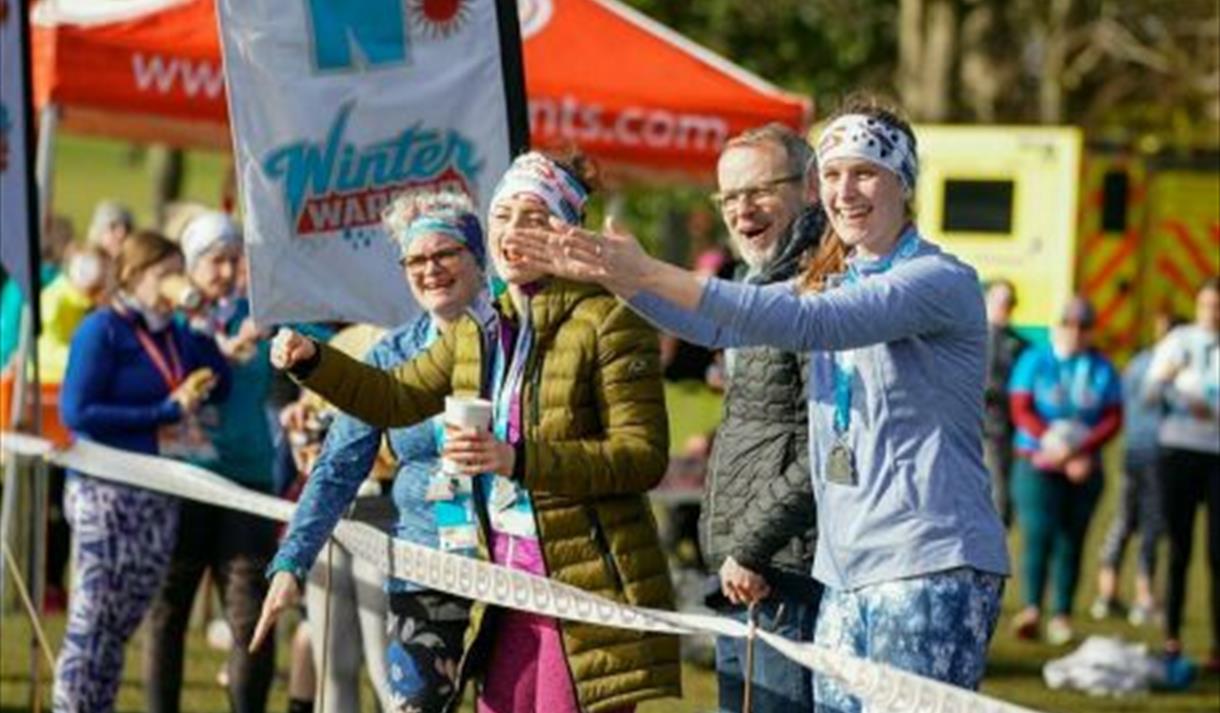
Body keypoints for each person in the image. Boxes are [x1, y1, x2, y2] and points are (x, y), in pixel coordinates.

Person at [503, 95, 1010, 712]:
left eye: (866, 173)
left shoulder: (937, 279)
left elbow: (806, 322)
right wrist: (612, 275)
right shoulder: (837, 278)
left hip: (929, 564)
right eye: (832, 175)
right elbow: (718, 328)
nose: (845, 191)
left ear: (902, 183)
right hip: (845, 573)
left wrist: (649, 270)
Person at [264, 151, 681, 713]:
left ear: (566, 229)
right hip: (494, 582)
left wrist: (515, 459)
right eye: (502, 216)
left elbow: (642, 458)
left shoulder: (609, 321)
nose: (512, 231)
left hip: (577, 583)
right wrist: (313, 361)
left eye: (531, 217)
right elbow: (393, 396)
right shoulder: (484, 328)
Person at [263, 190, 488, 712]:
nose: (430, 269)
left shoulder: (512, 338)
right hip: (425, 564)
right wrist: (291, 561)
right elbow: (338, 465)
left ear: (477, 258)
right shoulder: (392, 351)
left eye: (445, 254)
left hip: (511, 563)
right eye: (415, 259)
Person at [54, 230, 230, 711]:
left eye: (180, 270)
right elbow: (78, 413)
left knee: (121, 625)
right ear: (132, 275)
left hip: (157, 491)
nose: (176, 282)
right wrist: (162, 413)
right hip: (104, 491)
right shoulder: (103, 330)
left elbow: (223, 384)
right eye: (165, 273)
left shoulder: (173, 333)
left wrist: (201, 327)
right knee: (91, 624)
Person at [690, 123, 825, 712]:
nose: (742, 210)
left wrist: (750, 548)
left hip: (784, 573)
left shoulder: (822, 289)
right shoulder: (751, 285)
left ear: (809, 189)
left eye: (759, 191)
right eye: (729, 197)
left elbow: (827, 446)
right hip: (742, 575)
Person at [143, 211, 279, 713]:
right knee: (167, 612)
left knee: (250, 619)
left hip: (248, 481)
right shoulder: (171, 323)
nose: (225, 271)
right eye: (214, 261)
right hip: (181, 478)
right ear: (190, 266)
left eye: (232, 258)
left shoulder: (260, 316)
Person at [1008, 296, 1122, 646]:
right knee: (1038, 533)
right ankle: (1030, 608)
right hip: (1037, 461)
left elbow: (1113, 416)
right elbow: (1021, 407)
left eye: (1083, 326)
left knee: (1072, 539)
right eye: (1069, 324)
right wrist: (1053, 443)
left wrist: (1079, 452)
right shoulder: (1035, 359)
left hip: (1083, 465)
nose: (1075, 332)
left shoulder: (1101, 367)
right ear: (1056, 326)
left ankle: (1062, 613)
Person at [1144, 276, 1220, 670]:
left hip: (1217, 454)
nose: (1212, 312)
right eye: (1207, 304)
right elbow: (1147, 396)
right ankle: (1172, 637)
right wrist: (1167, 376)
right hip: (1179, 452)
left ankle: (1216, 647)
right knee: (1179, 548)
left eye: (1218, 306)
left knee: (1217, 554)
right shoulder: (1177, 341)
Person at [1092, 309, 1178, 626]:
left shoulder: (1137, 363)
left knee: (1124, 521)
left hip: (1132, 452)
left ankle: (1106, 593)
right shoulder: (1166, 368)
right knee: (1151, 525)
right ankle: (1143, 597)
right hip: (1156, 454)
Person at [983, 279, 1027, 526]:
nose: (1005, 307)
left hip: (1004, 431)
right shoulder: (970, 339)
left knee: (1001, 498)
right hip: (970, 428)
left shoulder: (1020, 345)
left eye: (1010, 302)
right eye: (1001, 301)